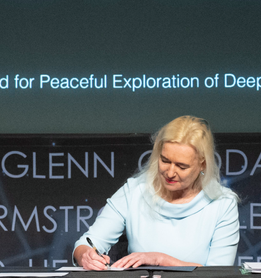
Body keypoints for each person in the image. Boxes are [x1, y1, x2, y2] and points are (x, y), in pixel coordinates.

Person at [74, 115, 239, 269]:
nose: (170, 173)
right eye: (165, 160)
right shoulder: (134, 191)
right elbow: (86, 244)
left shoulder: (223, 203)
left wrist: (159, 259)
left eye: (181, 166)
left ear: (203, 164)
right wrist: (85, 256)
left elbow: (218, 274)